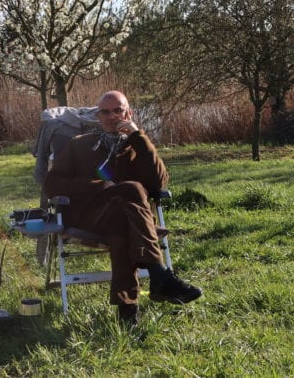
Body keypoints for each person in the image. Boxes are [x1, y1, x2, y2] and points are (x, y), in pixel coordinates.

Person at [43, 90, 201, 325]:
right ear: (98, 116)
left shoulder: (137, 146)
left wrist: (138, 137)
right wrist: (99, 186)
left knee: (123, 223)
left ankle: (128, 315)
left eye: (118, 110)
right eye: (105, 112)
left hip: (126, 220)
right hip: (89, 217)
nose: (112, 116)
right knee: (133, 189)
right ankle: (159, 274)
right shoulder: (80, 146)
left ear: (129, 113)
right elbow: (51, 184)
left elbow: (159, 182)